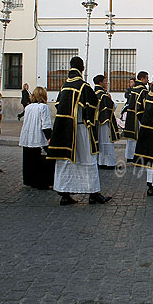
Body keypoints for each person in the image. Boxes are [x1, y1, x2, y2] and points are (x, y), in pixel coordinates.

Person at [47, 56, 111, 205]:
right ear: (82, 68)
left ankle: (65, 194)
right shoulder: (83, 86)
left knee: (66, 161)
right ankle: (94, 194)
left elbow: (58, 104)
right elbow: (93, 106)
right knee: (88, 160)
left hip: (65, 129)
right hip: (81, 129)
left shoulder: (64, 86)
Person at [19, 86, 55, 189]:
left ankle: (29, 180)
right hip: (38, 136)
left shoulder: (28, 107)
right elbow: (46, 125)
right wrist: (50, 137)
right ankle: (41, 182)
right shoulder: (44, 107)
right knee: (40, 161)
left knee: (29, 159)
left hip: (28, 136)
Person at [93, 74, 119, 170]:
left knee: (100, 142)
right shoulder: (103, 95)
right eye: (104, 81)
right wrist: (111, 99)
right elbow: (112, 106)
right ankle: (108, 163)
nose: (106, 83)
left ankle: (100, 161)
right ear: (100, 83)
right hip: (105, 122)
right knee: (107, 142)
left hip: (97, 122)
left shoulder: (93, 92)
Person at [122, 71, 149, 163]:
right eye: (147, 78)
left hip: (131, 115)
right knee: (139, 137)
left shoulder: (134, 88)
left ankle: (130, 156)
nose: (148, 80)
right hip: (138, 116)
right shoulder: (143, 90)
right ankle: (138, 157)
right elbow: (145, 105)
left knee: (131, 138)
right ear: (142, 79)